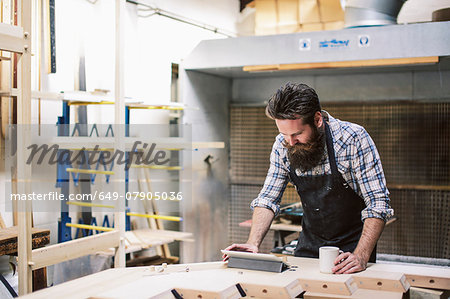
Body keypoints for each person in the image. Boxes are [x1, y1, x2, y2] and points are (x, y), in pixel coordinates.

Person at [224, 83, 393, 274]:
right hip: (309, 247)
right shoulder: (283, 145)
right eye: (284, 134)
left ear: (318, 119)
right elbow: (268, 199)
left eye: (297, 134)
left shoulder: (353, 139)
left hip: (353, 251)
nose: (291, 142)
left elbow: (378, 202)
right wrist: (252, 243)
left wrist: (361, 256)